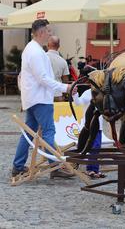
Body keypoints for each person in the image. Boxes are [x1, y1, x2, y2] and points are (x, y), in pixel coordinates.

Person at [12, 19, 74, 179]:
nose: (50, 33)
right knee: (48, 132)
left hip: (34, 98)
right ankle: (54, 167)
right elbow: (43, 78)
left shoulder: (33, 49)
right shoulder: (35, 52)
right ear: (40, 33)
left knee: (28, 133)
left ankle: (18, 166)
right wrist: (65, 87)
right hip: (40, 99)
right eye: (48, 31)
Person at [72, 89, 106, 179]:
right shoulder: (88, 92)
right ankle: (90, 169)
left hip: (99, 125)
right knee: (92, 146)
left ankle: (94, 169)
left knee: (96, 147)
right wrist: (75, 94)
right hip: (89, 125)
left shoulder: (103, 92)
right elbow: (78, 102)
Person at [47, 35, 70, 102]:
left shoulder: (42, 57)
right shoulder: (63, 61)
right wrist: (65, 95)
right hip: (58, 94)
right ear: (59, 46)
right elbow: (65, 81)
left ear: (48, 45)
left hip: (44, 95)